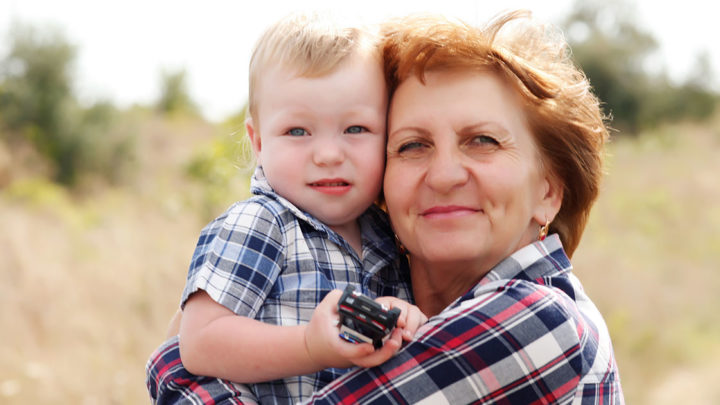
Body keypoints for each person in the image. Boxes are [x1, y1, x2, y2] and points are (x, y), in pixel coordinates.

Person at [302, 10, 624, 403]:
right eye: (412, 146)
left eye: (483, 141)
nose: (444, 176)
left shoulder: (540, 321)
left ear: (548, 192)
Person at [145, 12, 426, 405]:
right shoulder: (262, 224)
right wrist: (309, 345)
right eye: (298, 131)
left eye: (356, 129)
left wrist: (402, 319)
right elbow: (200, 341)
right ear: (258, 142)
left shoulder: (388, 233)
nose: (328, 154)